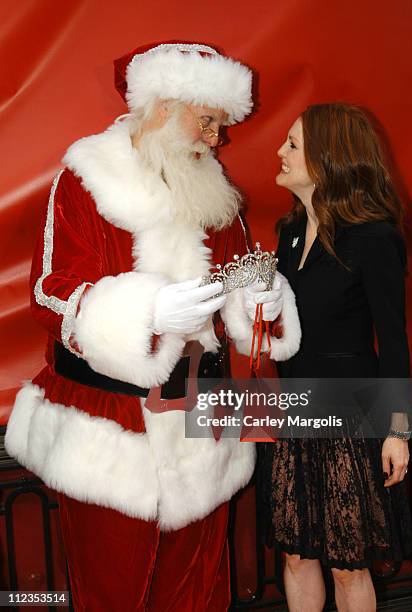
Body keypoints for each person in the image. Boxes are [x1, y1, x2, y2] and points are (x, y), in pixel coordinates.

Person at [5, 43, 301, 611]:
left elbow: (239, 289)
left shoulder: (212, 190)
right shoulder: (87, 179)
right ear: (164, 107)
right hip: (112, 426)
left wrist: (260, 300)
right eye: (208, 121)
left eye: (220, 124)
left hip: (203, 416)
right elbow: (51, 292)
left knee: (198, 587)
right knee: (114, 588)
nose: (217, 139)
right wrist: (144, 316)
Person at [260, 103, 412, 612]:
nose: (279, 152)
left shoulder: (374, 237)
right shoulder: (287, 233)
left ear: (329, 159)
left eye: (293, 145)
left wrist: (398, 431)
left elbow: (394, 342)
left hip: (352, 419)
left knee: (349, 566)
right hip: (292, 412)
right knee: (296, 557)